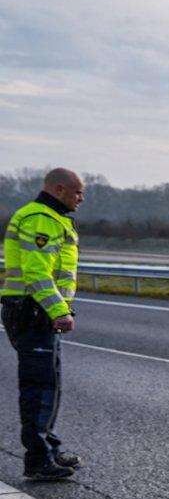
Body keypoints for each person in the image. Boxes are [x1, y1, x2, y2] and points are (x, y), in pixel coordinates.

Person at [3, 168, 84, 481]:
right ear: (59, 189)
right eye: (78, 192)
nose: (81, 199)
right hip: (33, 310)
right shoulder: (41, 218)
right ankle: (38, 460)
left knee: (49, 383)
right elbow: (36, 272)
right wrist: (59, 310)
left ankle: (48, 449)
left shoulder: (52, 217)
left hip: (35, 311)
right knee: (39, 387)